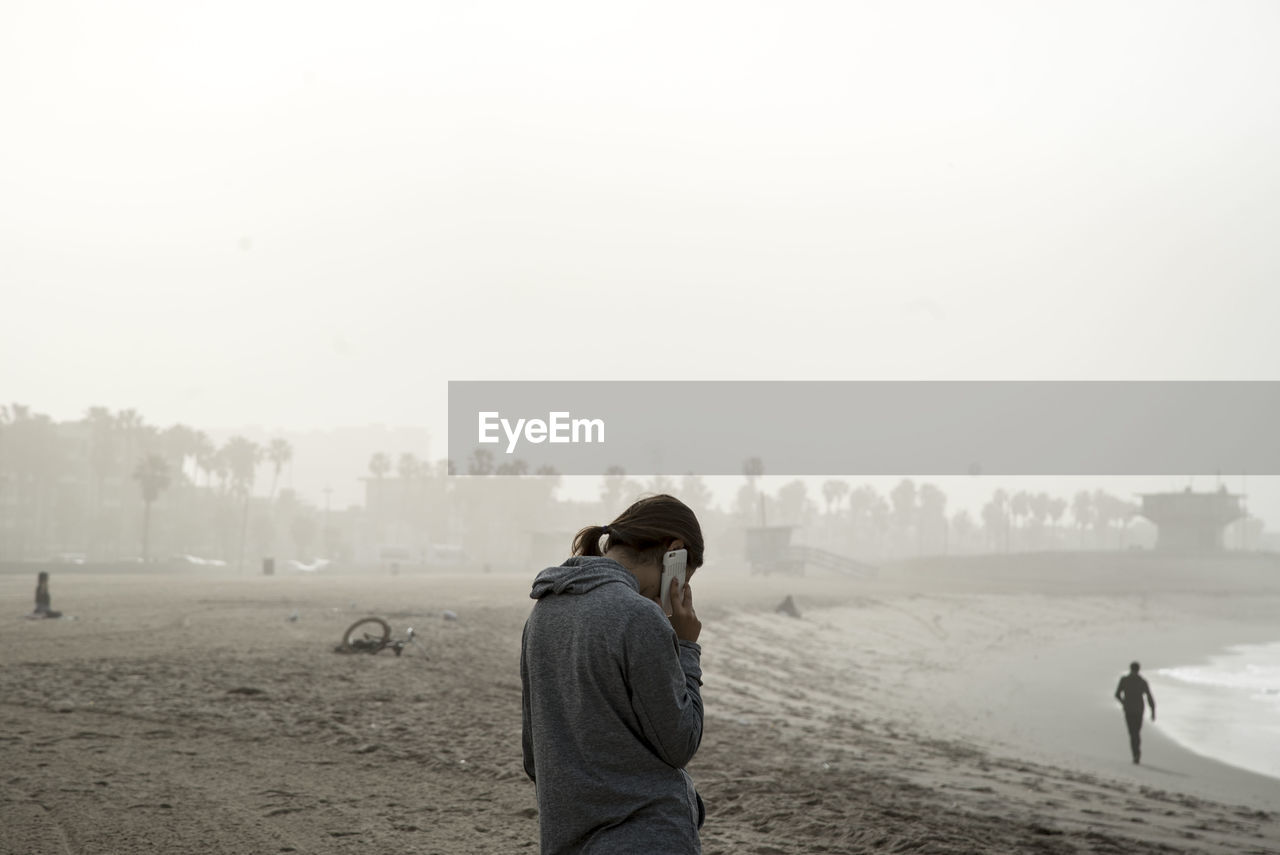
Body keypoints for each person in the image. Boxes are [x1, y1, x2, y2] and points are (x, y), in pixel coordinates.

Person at [521, 494, 706, 854]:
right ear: (675, 552)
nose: (680, 590)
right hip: (648, 837)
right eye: (684, 576)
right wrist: (686, 646)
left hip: (567, 838)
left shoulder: (542, 613)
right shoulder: (639, 617)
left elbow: (534, 757)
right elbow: (680, 743)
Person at [1115, 661, 1156, 764]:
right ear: (1138, 669)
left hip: (1129, 709)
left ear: (1130, 668)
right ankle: (1136, 754)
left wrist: (1124, 702)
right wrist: (1153, 711)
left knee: (1133, 733)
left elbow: (1117, 694)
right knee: (1136, 732)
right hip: (1139, 710)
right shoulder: (1142, 681)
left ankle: (1136, 754)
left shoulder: (1124, 680)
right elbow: (1149, 696)